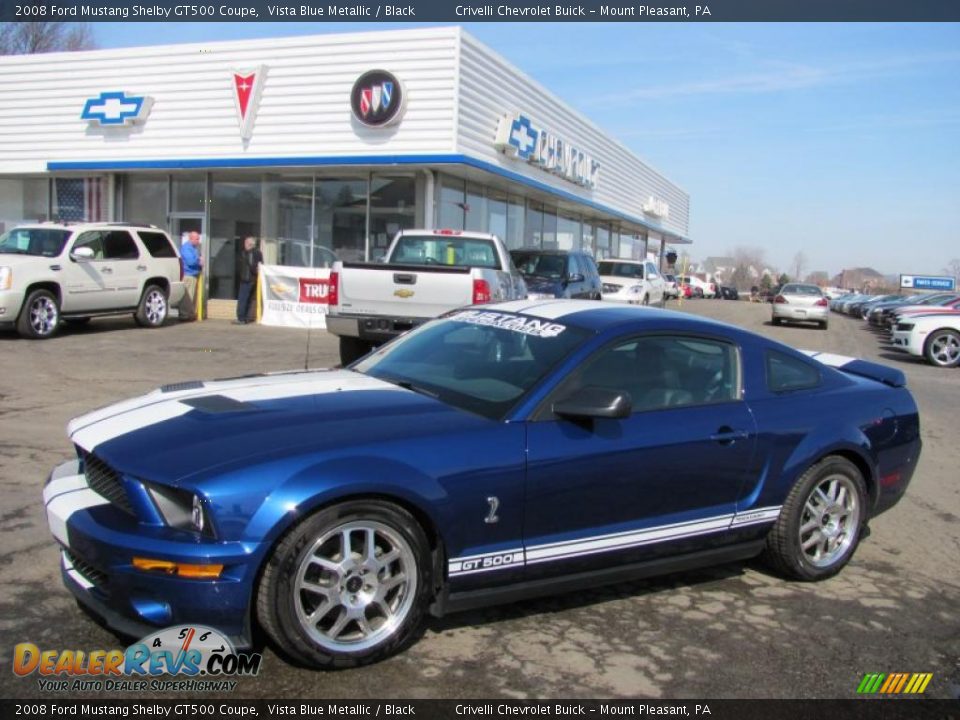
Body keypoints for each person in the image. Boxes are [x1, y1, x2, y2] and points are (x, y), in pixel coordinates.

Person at [234, 236, 263, 324]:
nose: (244, 245)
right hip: (253, 279)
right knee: (249, 299)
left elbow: (253, 266)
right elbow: (260, 265)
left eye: (246, 243)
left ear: (250, 244)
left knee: (243, 298)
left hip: (247, 279)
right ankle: (246, 317)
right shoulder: (258, 252)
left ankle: (241, 318)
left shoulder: (249, 253)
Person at [178, 231, 202, 322]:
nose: (198, 241)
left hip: (194, 275)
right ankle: (184, 315)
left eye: (198, 239)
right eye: (197, 239)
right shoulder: (186, 248)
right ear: (191, 238)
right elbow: (190, 262)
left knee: (192, 297)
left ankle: (190, 314)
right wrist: (199, 260)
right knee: (187, 297)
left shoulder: (194, 248)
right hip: (188, 276)